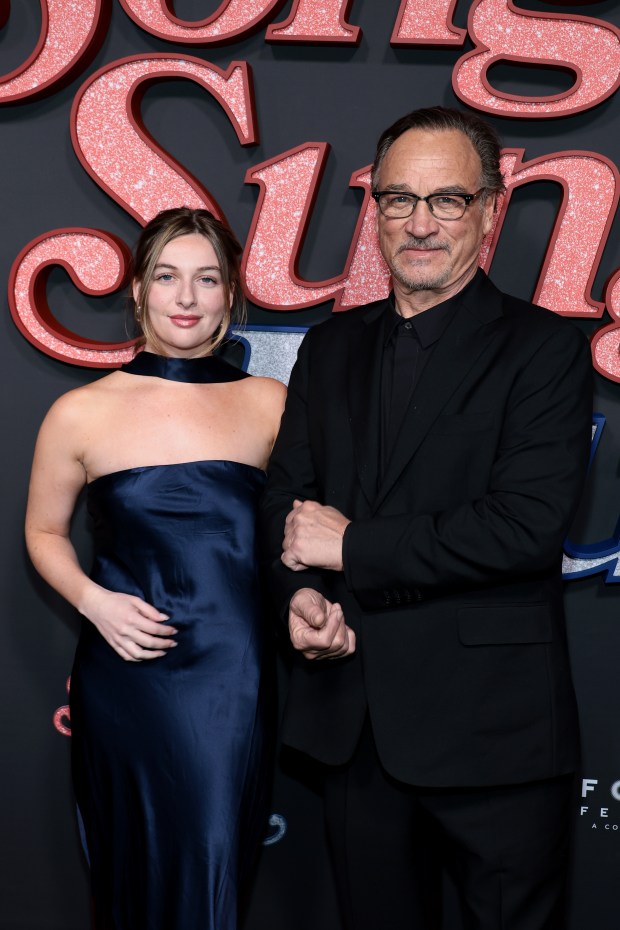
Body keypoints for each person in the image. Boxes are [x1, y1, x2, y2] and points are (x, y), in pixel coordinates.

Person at [261, 107, 593, 930]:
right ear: (373, 212)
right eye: (399, 199)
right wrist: (297, 595)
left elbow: (526, 524)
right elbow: (284, 502)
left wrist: (354, 546)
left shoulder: (544, 348)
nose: (419, 223)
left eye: (446, 200)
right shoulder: (330, 348)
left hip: (495, 738)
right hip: (354, 726)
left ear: (488, 210)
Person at [26, 207, 286, 930]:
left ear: (230, 297)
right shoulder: (81, 412)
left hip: (234, 677)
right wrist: (94, 602)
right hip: (125, 673)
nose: (186, 297)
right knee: (128, 870)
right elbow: (43, 531)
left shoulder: (268, 405)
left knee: (215, 863)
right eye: (167, 277)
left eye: (207, 280)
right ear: (136, 291)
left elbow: (300, 532)